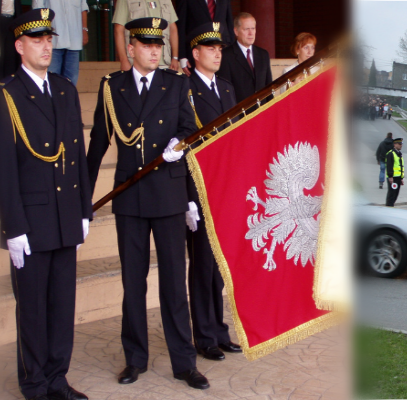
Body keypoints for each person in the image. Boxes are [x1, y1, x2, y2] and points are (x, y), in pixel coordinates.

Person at [86, 17, 207, 390]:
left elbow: (190, 130)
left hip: (168, 196)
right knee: (132, 283)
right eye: (148, 45)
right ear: (132, 47)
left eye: (159, 45)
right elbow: (98, 146)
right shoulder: (112, 87)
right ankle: (134, 359)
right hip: (130, 197)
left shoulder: (176, 84)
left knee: (173, 283)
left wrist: (179, 145)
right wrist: (82, 202)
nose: (156, 51)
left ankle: (184, 362)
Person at [0, 9, 92, 400]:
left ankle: (57, 379)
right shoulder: (6, 95)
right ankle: (34, 384)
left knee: (62, 306)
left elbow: (77, 155)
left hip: (65, 218)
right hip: (30, 223)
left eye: (49, 39)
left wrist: (83, 210)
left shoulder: (64, 90)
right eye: (37, 40)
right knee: (32, 309)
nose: (46, 46)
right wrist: (13, 227)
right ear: (19, 46)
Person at [183, 22, 243, 376]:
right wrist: (190, 199)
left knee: (219, 267)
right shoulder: (186, 90)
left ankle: (219, 330)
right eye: (210, 48)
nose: (218, 53)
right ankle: (203, 335)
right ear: (195, 54)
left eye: (220, 48)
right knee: (202, 265)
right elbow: (188, 148)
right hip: (201, 189)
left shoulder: (227, 88)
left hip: (225, 190)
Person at [111, 0, 179, 73]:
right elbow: (118, 29)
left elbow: (172, 28)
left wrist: (175, 57)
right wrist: (123, 60)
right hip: (136, 63)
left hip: (164, 63)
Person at [34, 0, 89, 84]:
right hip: (53, 40)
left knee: (71, 80)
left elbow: (83, 7)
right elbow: (38, 8)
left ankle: (69, 97)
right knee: (52, 79)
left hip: (74, 38)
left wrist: (84, 29)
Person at [221, 12, 270, 102]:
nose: (251, 33)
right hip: (239, 113)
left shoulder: (263, 55)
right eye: (246, 29)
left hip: (262, 111)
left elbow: (269, 87)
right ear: (236, 31)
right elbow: (225, 91)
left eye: (253, 28)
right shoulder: (226, 56)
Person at [176, 0, 233, 71]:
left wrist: (232, 50)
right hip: (197, 51)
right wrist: (182, 56)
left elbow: (229, 22)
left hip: (223, 49)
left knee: (223, 81)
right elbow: (181, 26)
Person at [384, 138, 405, 207]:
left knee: (396, 194)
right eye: (399, 144)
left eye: (401, 144)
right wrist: (390, 177)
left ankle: (391, 205)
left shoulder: (399, 154)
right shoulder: (391, 154)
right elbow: (389, 166)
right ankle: (389, 206)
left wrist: (401, 178)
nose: (401, 145)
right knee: (392, 194)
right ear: (394, 144)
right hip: (393, 178)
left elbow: (400, 166)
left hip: (398, 177)